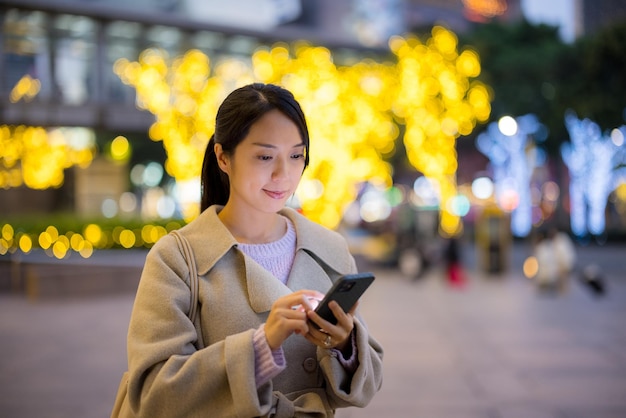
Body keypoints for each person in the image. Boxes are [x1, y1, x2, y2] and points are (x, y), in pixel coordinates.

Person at [124, 83, 384, 417]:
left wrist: (344, 343)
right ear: (223, 157)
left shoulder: (330, 248)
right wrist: (262, 344)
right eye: (264, 156)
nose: (283, 174)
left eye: (296, 156)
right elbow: (152, 393)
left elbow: (367, 386)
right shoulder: (177, 258)